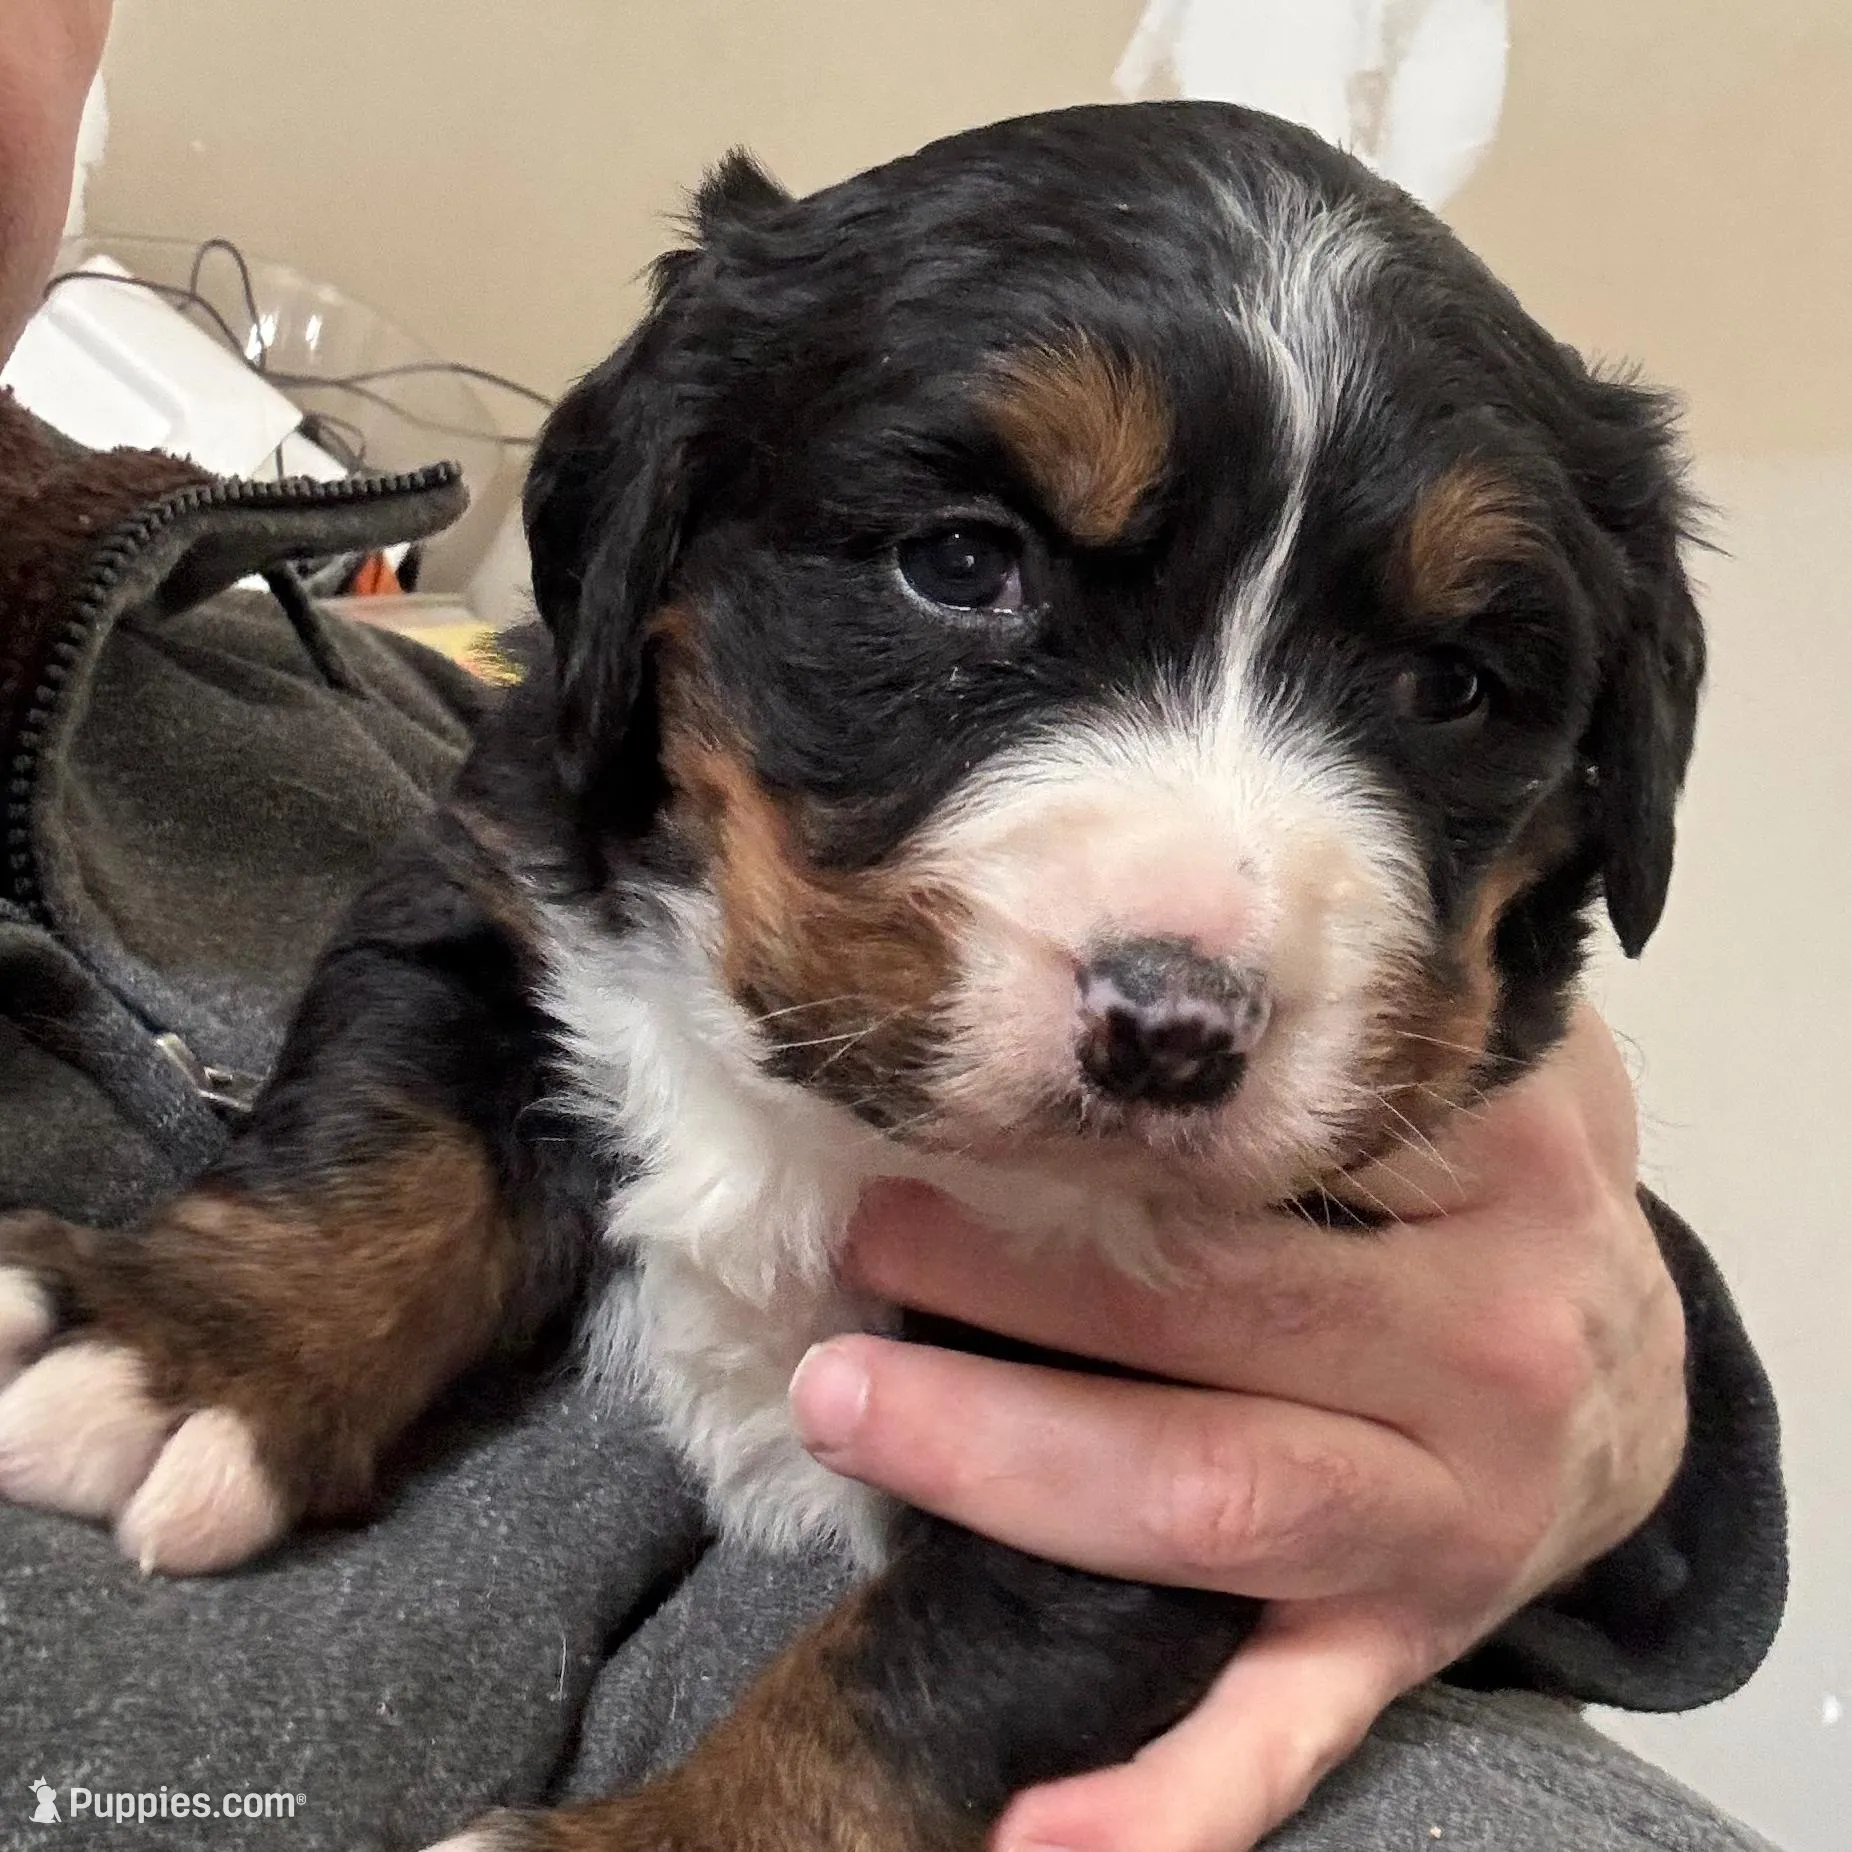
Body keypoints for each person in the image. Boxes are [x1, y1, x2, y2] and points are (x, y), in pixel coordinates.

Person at [0, 7, 1784, 1851]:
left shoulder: (326, 715)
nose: (1195, 964)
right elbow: (467, 1001)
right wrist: (287, 1287)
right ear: (642, 556)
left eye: (1443, 686)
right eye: (964, 562)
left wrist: (1640, 1402)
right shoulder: (558, 831)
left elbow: (1408, 1426)